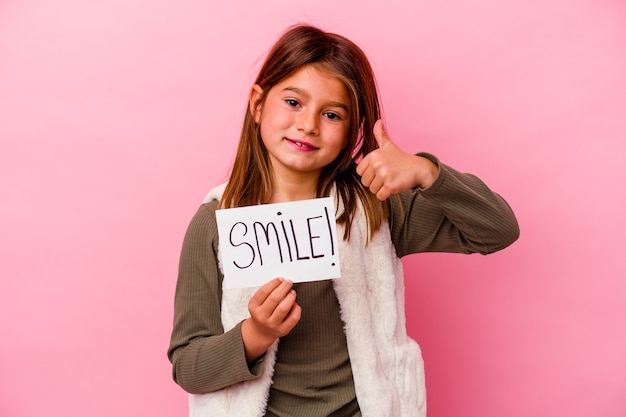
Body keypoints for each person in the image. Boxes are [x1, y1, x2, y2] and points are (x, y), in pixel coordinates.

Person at [167, 24, 520, 417]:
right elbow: (188, 366)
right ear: (257, 104)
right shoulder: (215, 223)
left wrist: (426, 172)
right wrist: (256, 334)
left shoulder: (375, 208)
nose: (309, 125)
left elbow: (497, 229)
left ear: (353, 129)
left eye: (331, 114)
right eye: (293, 103)